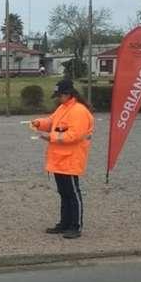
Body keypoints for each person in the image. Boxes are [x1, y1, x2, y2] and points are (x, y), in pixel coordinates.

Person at [30, 77, 94, 239]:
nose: (58, 98)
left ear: (68, 94)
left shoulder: (79, 111)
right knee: (64, 193)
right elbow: (52, 122)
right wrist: (39, 123)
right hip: (60, 158)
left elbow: (74, 135)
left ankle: (76, 226)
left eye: (60, 95)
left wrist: (50, 136)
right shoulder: (63, 108)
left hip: (71, 158)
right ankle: (65, 223)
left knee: (72, 193)